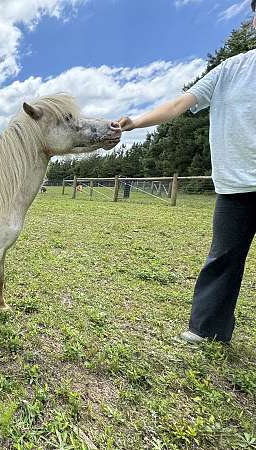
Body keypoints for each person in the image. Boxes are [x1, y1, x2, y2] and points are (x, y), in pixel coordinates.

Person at [117, 1, 256, 344]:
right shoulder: (232, 69)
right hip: (237, 184)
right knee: (224, 257)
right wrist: (135, 122)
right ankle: (207, 329)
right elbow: (180, 104)